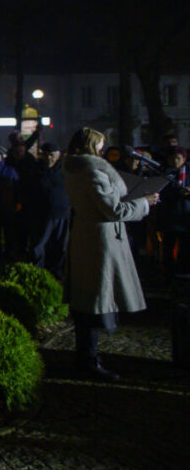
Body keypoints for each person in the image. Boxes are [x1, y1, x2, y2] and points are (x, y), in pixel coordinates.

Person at [63, 128, 159, 381]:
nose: (103, 150)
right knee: (94, 301)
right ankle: (88, 360)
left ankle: (86, 357)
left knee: (88, 299)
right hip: (100, 241)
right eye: (100, 145)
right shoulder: (92, 171)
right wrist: (144, 203)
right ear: (91, 145)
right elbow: (112, 210)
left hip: (89, 237)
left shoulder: (75, 168)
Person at [29, 142, 69, 277]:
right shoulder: (36, 170)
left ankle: (57, 271)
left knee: (60, 245)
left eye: (52, 155)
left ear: (59, 155)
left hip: (62, 213)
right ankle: (38, 272)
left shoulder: (65, 170)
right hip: (42, 214)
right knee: (38, 245)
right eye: (45, 154)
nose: (49, 158)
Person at [158, 148, 190, 277]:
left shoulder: (188, 172)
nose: (175, 161)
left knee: (186, 247)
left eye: (178, 158)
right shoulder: (164, 173)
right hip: (169, 216)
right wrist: (176, 192)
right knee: (168, 246)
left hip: (186, 215)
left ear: (184, 159)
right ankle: (168, 272)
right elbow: (160, 192)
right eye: (172, 158)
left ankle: (183, 271)